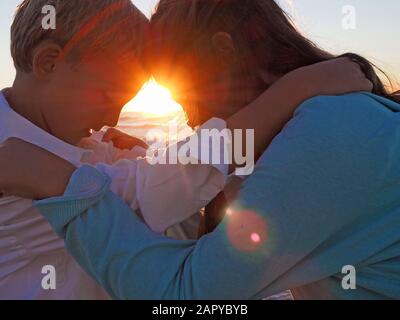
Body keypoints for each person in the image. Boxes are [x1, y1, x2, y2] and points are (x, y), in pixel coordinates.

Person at [0, 0, 367, 300]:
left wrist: (141, 155)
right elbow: (153, 191)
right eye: (107, 95)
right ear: (48, 61)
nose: (113, 116)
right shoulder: (14, 159)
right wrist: (294, 90)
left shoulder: (77, 140)